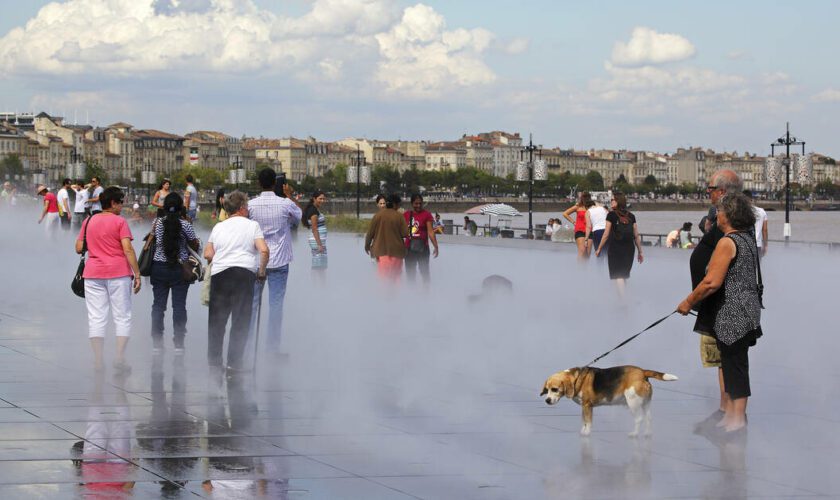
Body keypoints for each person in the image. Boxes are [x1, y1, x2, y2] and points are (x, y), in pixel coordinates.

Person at [678, 192, 762, 435]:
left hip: (732, 313)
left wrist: (687, 302)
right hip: (747, 310)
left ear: (729, 215)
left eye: (720, 213)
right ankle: (733, 417)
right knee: (734, 363)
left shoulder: (727, 242)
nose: (716, 217)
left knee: (734, 366)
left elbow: (711, 282)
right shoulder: (746, 239)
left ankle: (736, 419)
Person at [689, 169, 743, 432]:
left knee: (727, 359)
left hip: (721, 303)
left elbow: (717, 273)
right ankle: (726, 412)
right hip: (713, 303)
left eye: (709, 188)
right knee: (721, 359)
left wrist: (690, 300)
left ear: (722, 192)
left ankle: (730, 416)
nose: (707, 193)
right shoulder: (724, 219)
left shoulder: (730, 224)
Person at [75, 186, 141, 372]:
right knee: (122, 316)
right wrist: (137, 273)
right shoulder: (120, 222)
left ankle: (98, 361)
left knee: (96, 318)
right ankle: (119, 358)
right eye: (120, 202)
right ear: (112, 203)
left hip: (93, 274)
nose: (122, 205)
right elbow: (128, 249)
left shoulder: (88, 221)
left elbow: (79, 248)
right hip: (118, 274)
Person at [204, 191, 269, 372]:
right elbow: (263, 251)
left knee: (217, 321)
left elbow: (208, 253)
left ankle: (215, 363)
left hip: (220, 276)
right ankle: (234, 364)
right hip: (244, 275)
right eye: (247, 207)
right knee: (240, 321)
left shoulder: (219, 227)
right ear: (241, 208)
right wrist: (261, 272)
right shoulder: (252, 226)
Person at [247, 168, 302, 355]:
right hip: (279, 259)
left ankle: (248, 345)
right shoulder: (285, 204)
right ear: (275, 184)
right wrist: (289, 195)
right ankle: (272, 348)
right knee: (276, 306)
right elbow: (299, 217)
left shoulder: (251, 205)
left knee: (252, 304)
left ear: (259, 183)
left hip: (257, 260)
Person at [150, 193, 200, 355]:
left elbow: (154, 240)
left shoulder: (157, 223)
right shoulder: (185, 225)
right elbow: (194, 243)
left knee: (158, 306)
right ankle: (178, 344)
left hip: (159, 267)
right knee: (179, 306)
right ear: (181, 208)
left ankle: (157, 343)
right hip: (180, 269)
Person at [594, 193, 644, 296]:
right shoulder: (631, 216)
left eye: (613, 200)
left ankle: (623, 301)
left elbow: (606, 234)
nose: (611, 201)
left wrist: (599, 248)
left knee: (618, 275)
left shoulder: (611, 215)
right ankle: (624, 297)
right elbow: (636, 235)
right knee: (623, 275)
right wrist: (640, 251)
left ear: (618, 201)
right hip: (629, 248)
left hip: (615, 248)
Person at [365, 194, 409, 283]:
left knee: (383, 281)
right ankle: (396, 296)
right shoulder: (399, 216)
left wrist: (367, 246)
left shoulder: (377, 216)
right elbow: (405, 233)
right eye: (399, 205)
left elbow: (370, 234)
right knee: (396, 279)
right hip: (397, 253)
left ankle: (384, 296)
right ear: (395, 204)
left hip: (381, 253)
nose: (399, 207)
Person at [404, 194, 439, 284]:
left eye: (420, 203)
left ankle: (425, 294)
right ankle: (412, 294)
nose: (418, 206)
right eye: (416, 203)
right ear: (412, 204)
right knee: (410, 274)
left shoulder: (427, 215)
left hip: (423, 249)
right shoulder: (406, 215)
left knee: (425, 273)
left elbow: (431, 232)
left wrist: (436, 247)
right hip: (409, 249)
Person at [303, 190, 328, 275]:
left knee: (319, 264)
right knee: (319, 266)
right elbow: (314, 228)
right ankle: (319, 286)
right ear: (314, 198)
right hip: (317, 241)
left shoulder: (314, 209)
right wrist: (319, 244)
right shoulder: (313, 211)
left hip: (318, 241)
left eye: (324, 199)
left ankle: (318, 285)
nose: (322, 201)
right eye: (320, 199)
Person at [563, 191, 594, 260]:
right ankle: (579, 270)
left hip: (590, 230)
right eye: (584, 197)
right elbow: (565, 213)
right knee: (582, 251)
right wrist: (573, 222)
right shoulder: (577, 207)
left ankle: (586, 269)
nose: (585, 198)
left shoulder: (592, 207)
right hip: (580, 230)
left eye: (587, 197)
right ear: (581, 198)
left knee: (587, 253)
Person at [743, 190, 768, 257]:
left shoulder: (741, 213)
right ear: (751, 199)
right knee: (758, 265)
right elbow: (764, 230)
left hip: (744, 245)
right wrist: (765, 245)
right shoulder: (762, 211)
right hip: (757, 245)